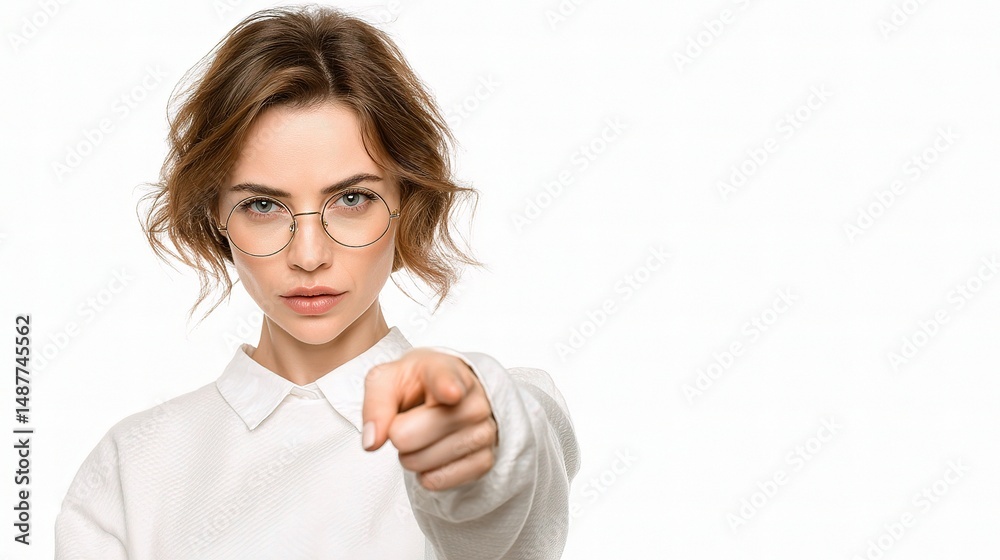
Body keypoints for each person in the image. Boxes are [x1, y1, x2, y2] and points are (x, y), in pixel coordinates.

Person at [53, 5, 580, 559]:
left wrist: (478, 426)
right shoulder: (133, 464)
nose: (309, 256)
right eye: (262, 205)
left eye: (352, 199)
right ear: (215, 213)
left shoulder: (494, 408)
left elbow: (505, 474)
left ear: (407, 201)